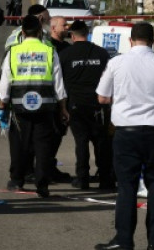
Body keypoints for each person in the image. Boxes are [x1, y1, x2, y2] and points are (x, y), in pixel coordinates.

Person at [95, 22, 154, 250]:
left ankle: (124, 240)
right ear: (153, 41)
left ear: (130, 40)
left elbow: (102, 98)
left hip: (127, 133)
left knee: (127, 187)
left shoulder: (117, 63)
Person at [0, 14, 70, 198]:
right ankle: (42, 185)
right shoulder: (49, 50)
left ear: (22, 32)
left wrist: (2, 107)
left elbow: (5, 83)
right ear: (39, 32)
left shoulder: (13, 52)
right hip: (45, 107)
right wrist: (63, 108)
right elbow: (58, 83)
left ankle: (16, 180)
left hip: (19, 107)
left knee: (19, 144)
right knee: (43, 146)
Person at [60, 20, 113, 191]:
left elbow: (60, 82)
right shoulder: (102, 53)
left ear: (73, 36)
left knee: (81, 142)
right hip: (98, 105)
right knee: (101, 143)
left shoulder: (65, 55)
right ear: (87, 33)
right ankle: (106, 179)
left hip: (76, 105)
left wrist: (63, 107)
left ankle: (82, 179)